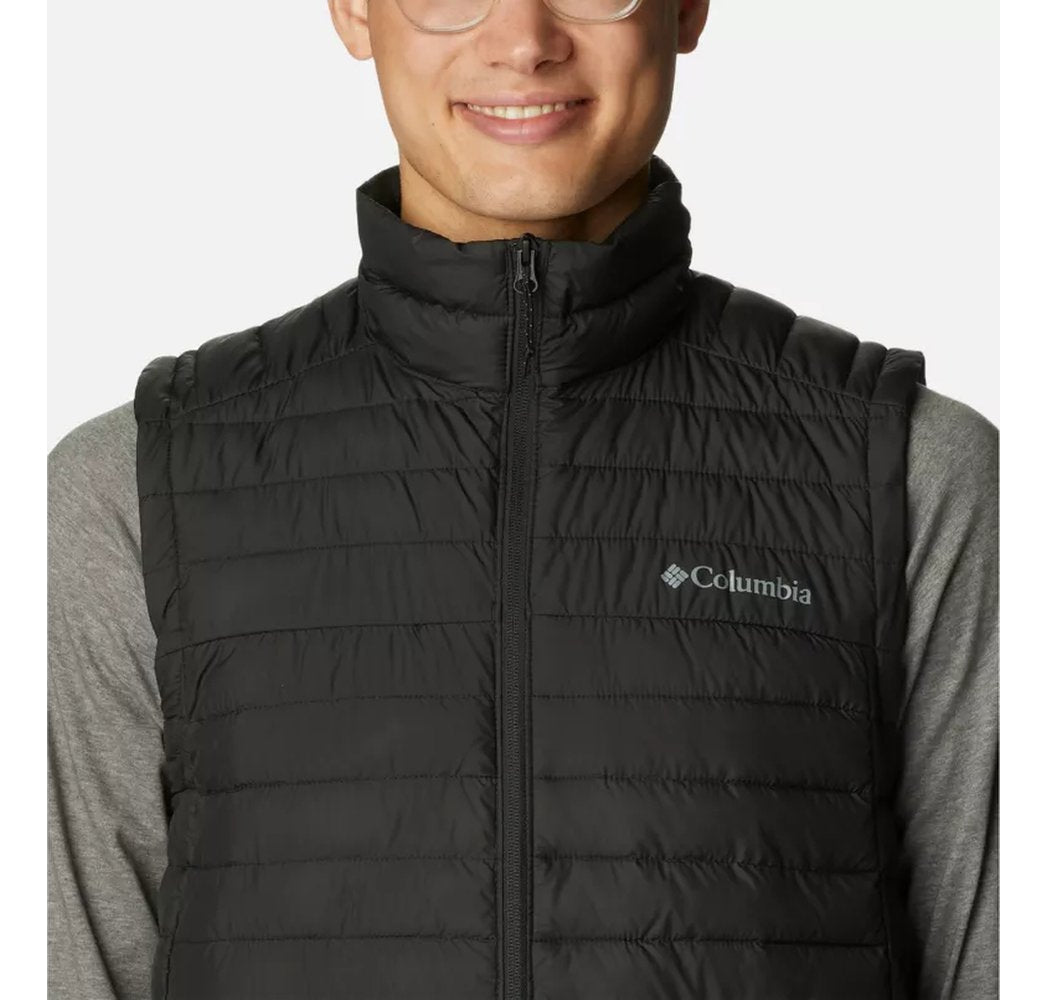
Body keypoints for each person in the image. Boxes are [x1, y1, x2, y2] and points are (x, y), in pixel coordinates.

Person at [48, 1, 998, 998]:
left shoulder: (911, 474)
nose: (524, 41)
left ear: (686, 8)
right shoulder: (133, 491)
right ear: (354, 10)